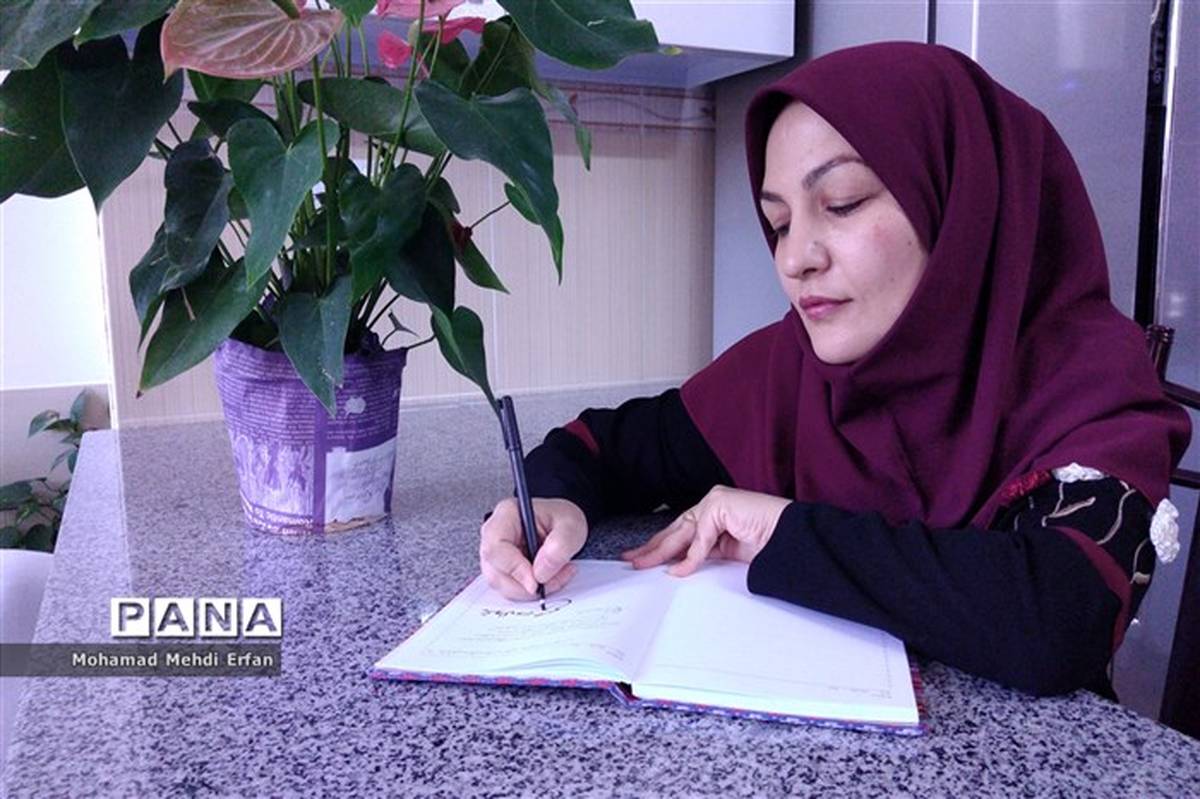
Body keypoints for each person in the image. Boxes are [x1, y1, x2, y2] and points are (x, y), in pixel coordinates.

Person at [478, 42, 1192, 698]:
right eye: (779, 223)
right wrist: (553, 503)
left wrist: (786, 530)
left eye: (842, 204)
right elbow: (608, 444)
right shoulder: (790, 372)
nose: (795, 258)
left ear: (963, 202)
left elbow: (1054, 620)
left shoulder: (1088, 383)